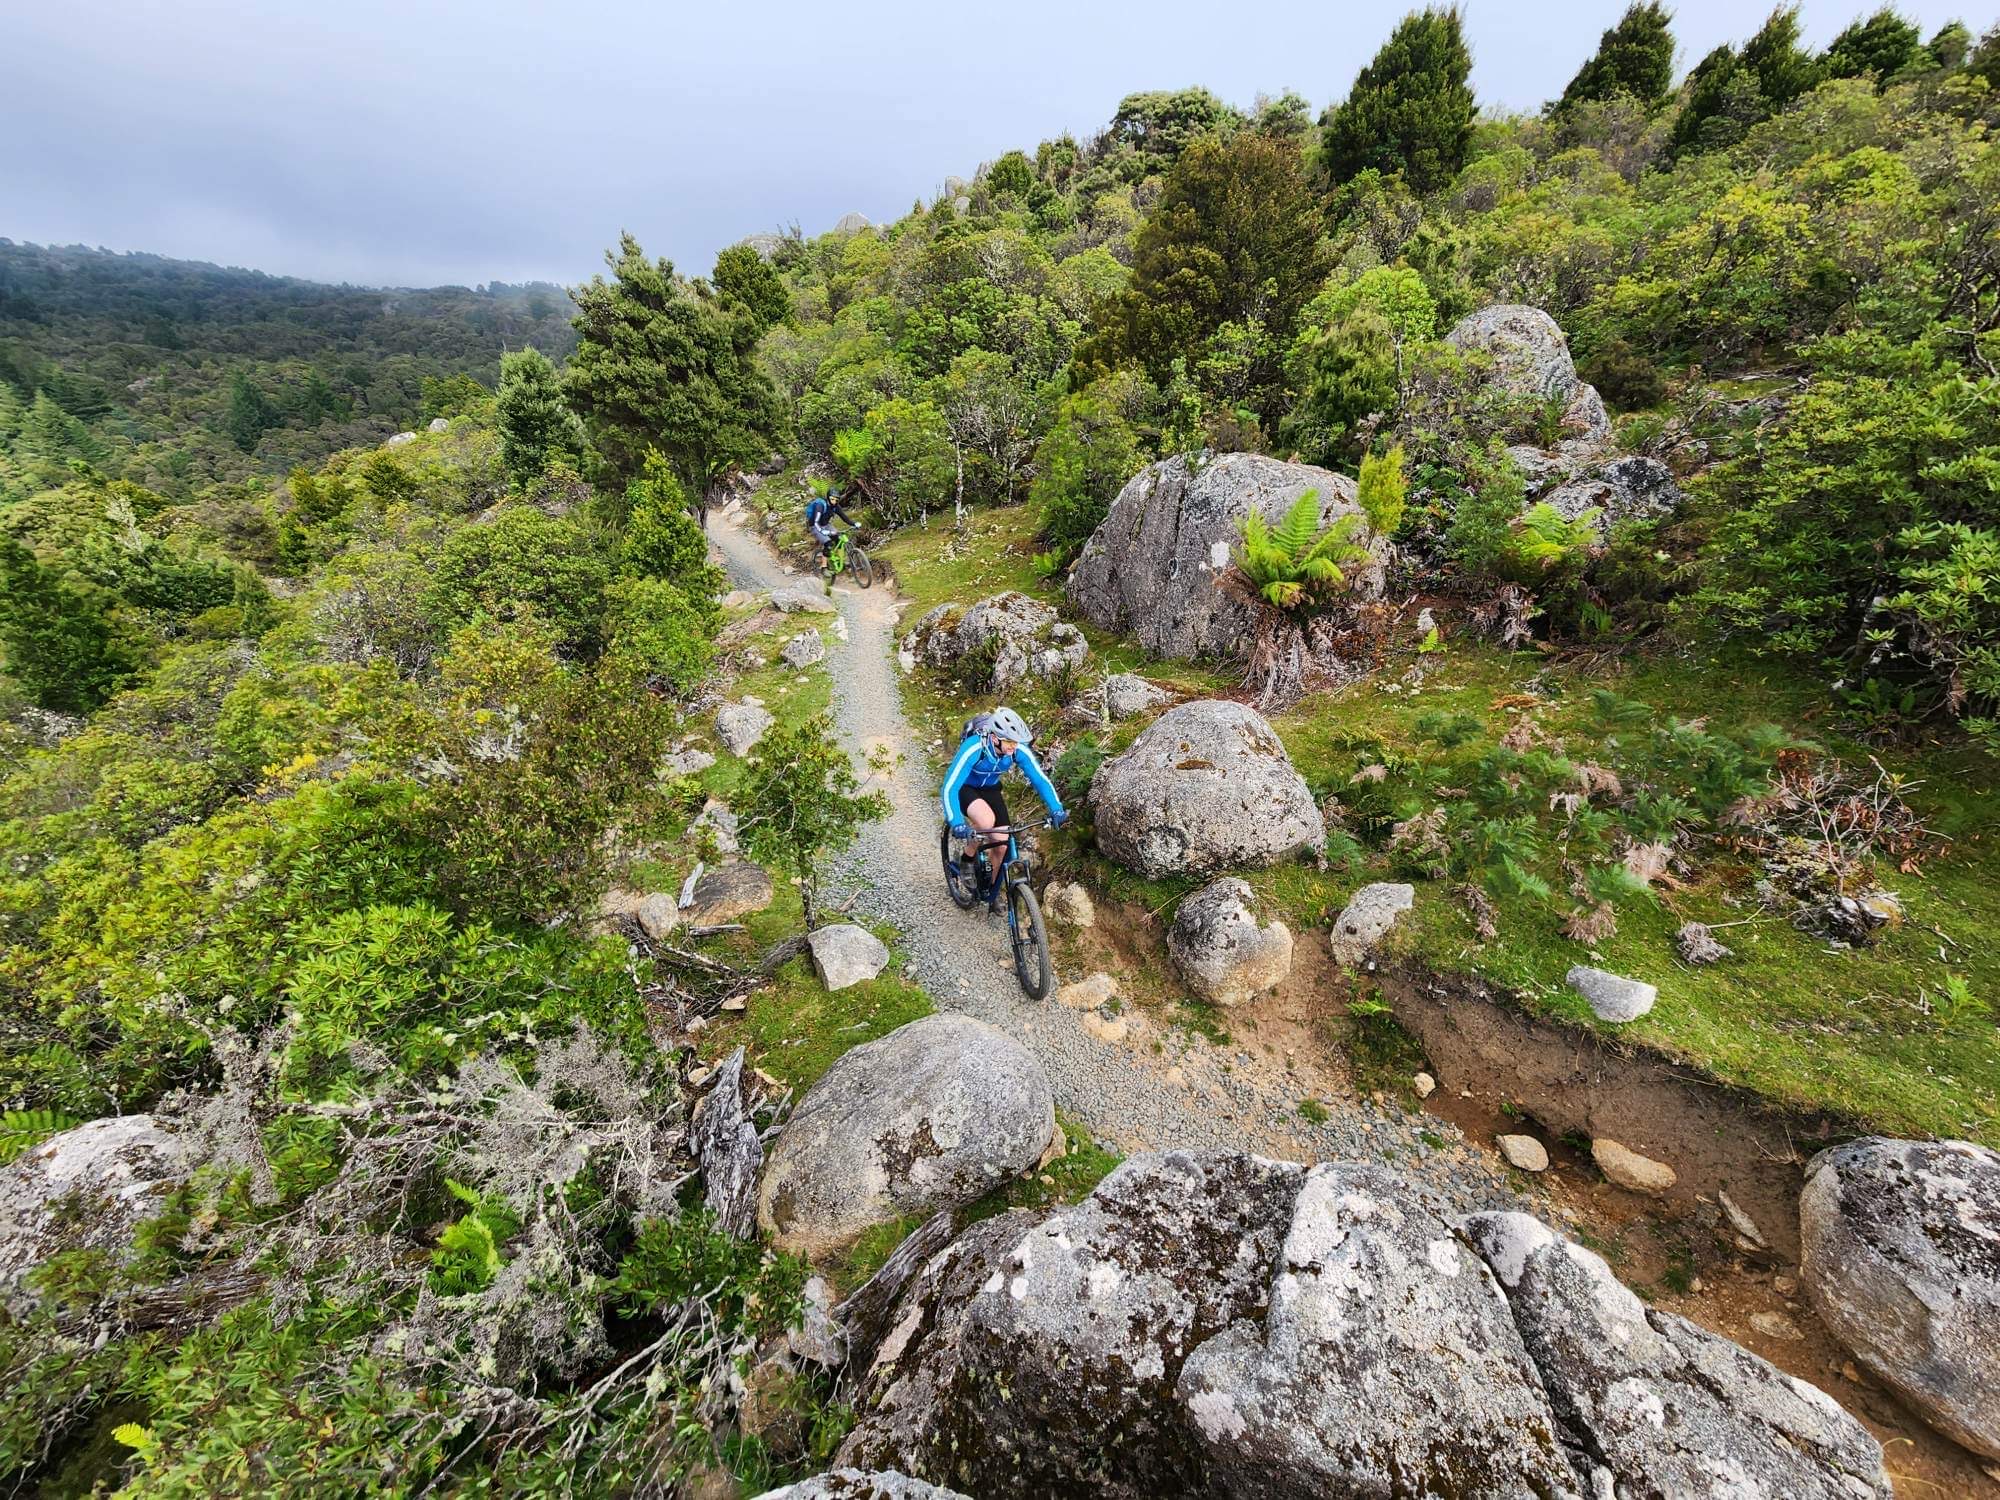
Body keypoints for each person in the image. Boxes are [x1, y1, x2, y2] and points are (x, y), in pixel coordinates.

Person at [940, 707, 1068, 912]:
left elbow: (1040, 779)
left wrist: (1056, 809)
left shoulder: (1017, 749)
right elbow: (950, 786)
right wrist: (956, 821)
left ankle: (991, 891)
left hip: (991, 789)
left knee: (1001, 844)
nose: (1013, 746)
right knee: (985, 821)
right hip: (965, 788)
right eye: (1009, 741)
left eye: (1015, 742)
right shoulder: (974, 748)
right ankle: (967, 858)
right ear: (994, 738)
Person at [804, 486, 855, 571]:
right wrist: (822, 531)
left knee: (839, 539)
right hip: (815, 526)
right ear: (828, 498)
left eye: (836, 500)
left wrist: (854, 524)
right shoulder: (820, 505)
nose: (834, 501)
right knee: (828, 544)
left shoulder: (835, 506)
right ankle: (824, 567)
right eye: (832, 499)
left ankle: (841, 561)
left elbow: (844, 518)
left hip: (826, 525)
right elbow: (816, 522)